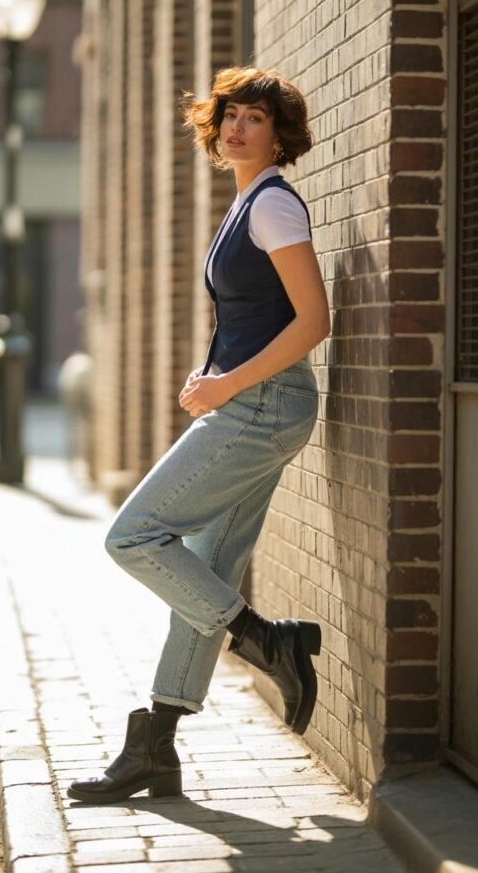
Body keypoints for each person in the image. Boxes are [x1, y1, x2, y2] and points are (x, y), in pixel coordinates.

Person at [67, 66, 330, 806]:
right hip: (256, 402)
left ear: (280, 135)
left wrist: (229, 385)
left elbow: (314, 321)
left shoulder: (274, 205)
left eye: (254, 118)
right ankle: (156, 747)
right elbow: (259, 314)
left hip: (262, 407)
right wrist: (212, 371)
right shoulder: (248, 201)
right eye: (230, 117)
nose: (237, 128)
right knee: (207, 567)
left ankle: (267, 641)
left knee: (134, 536)